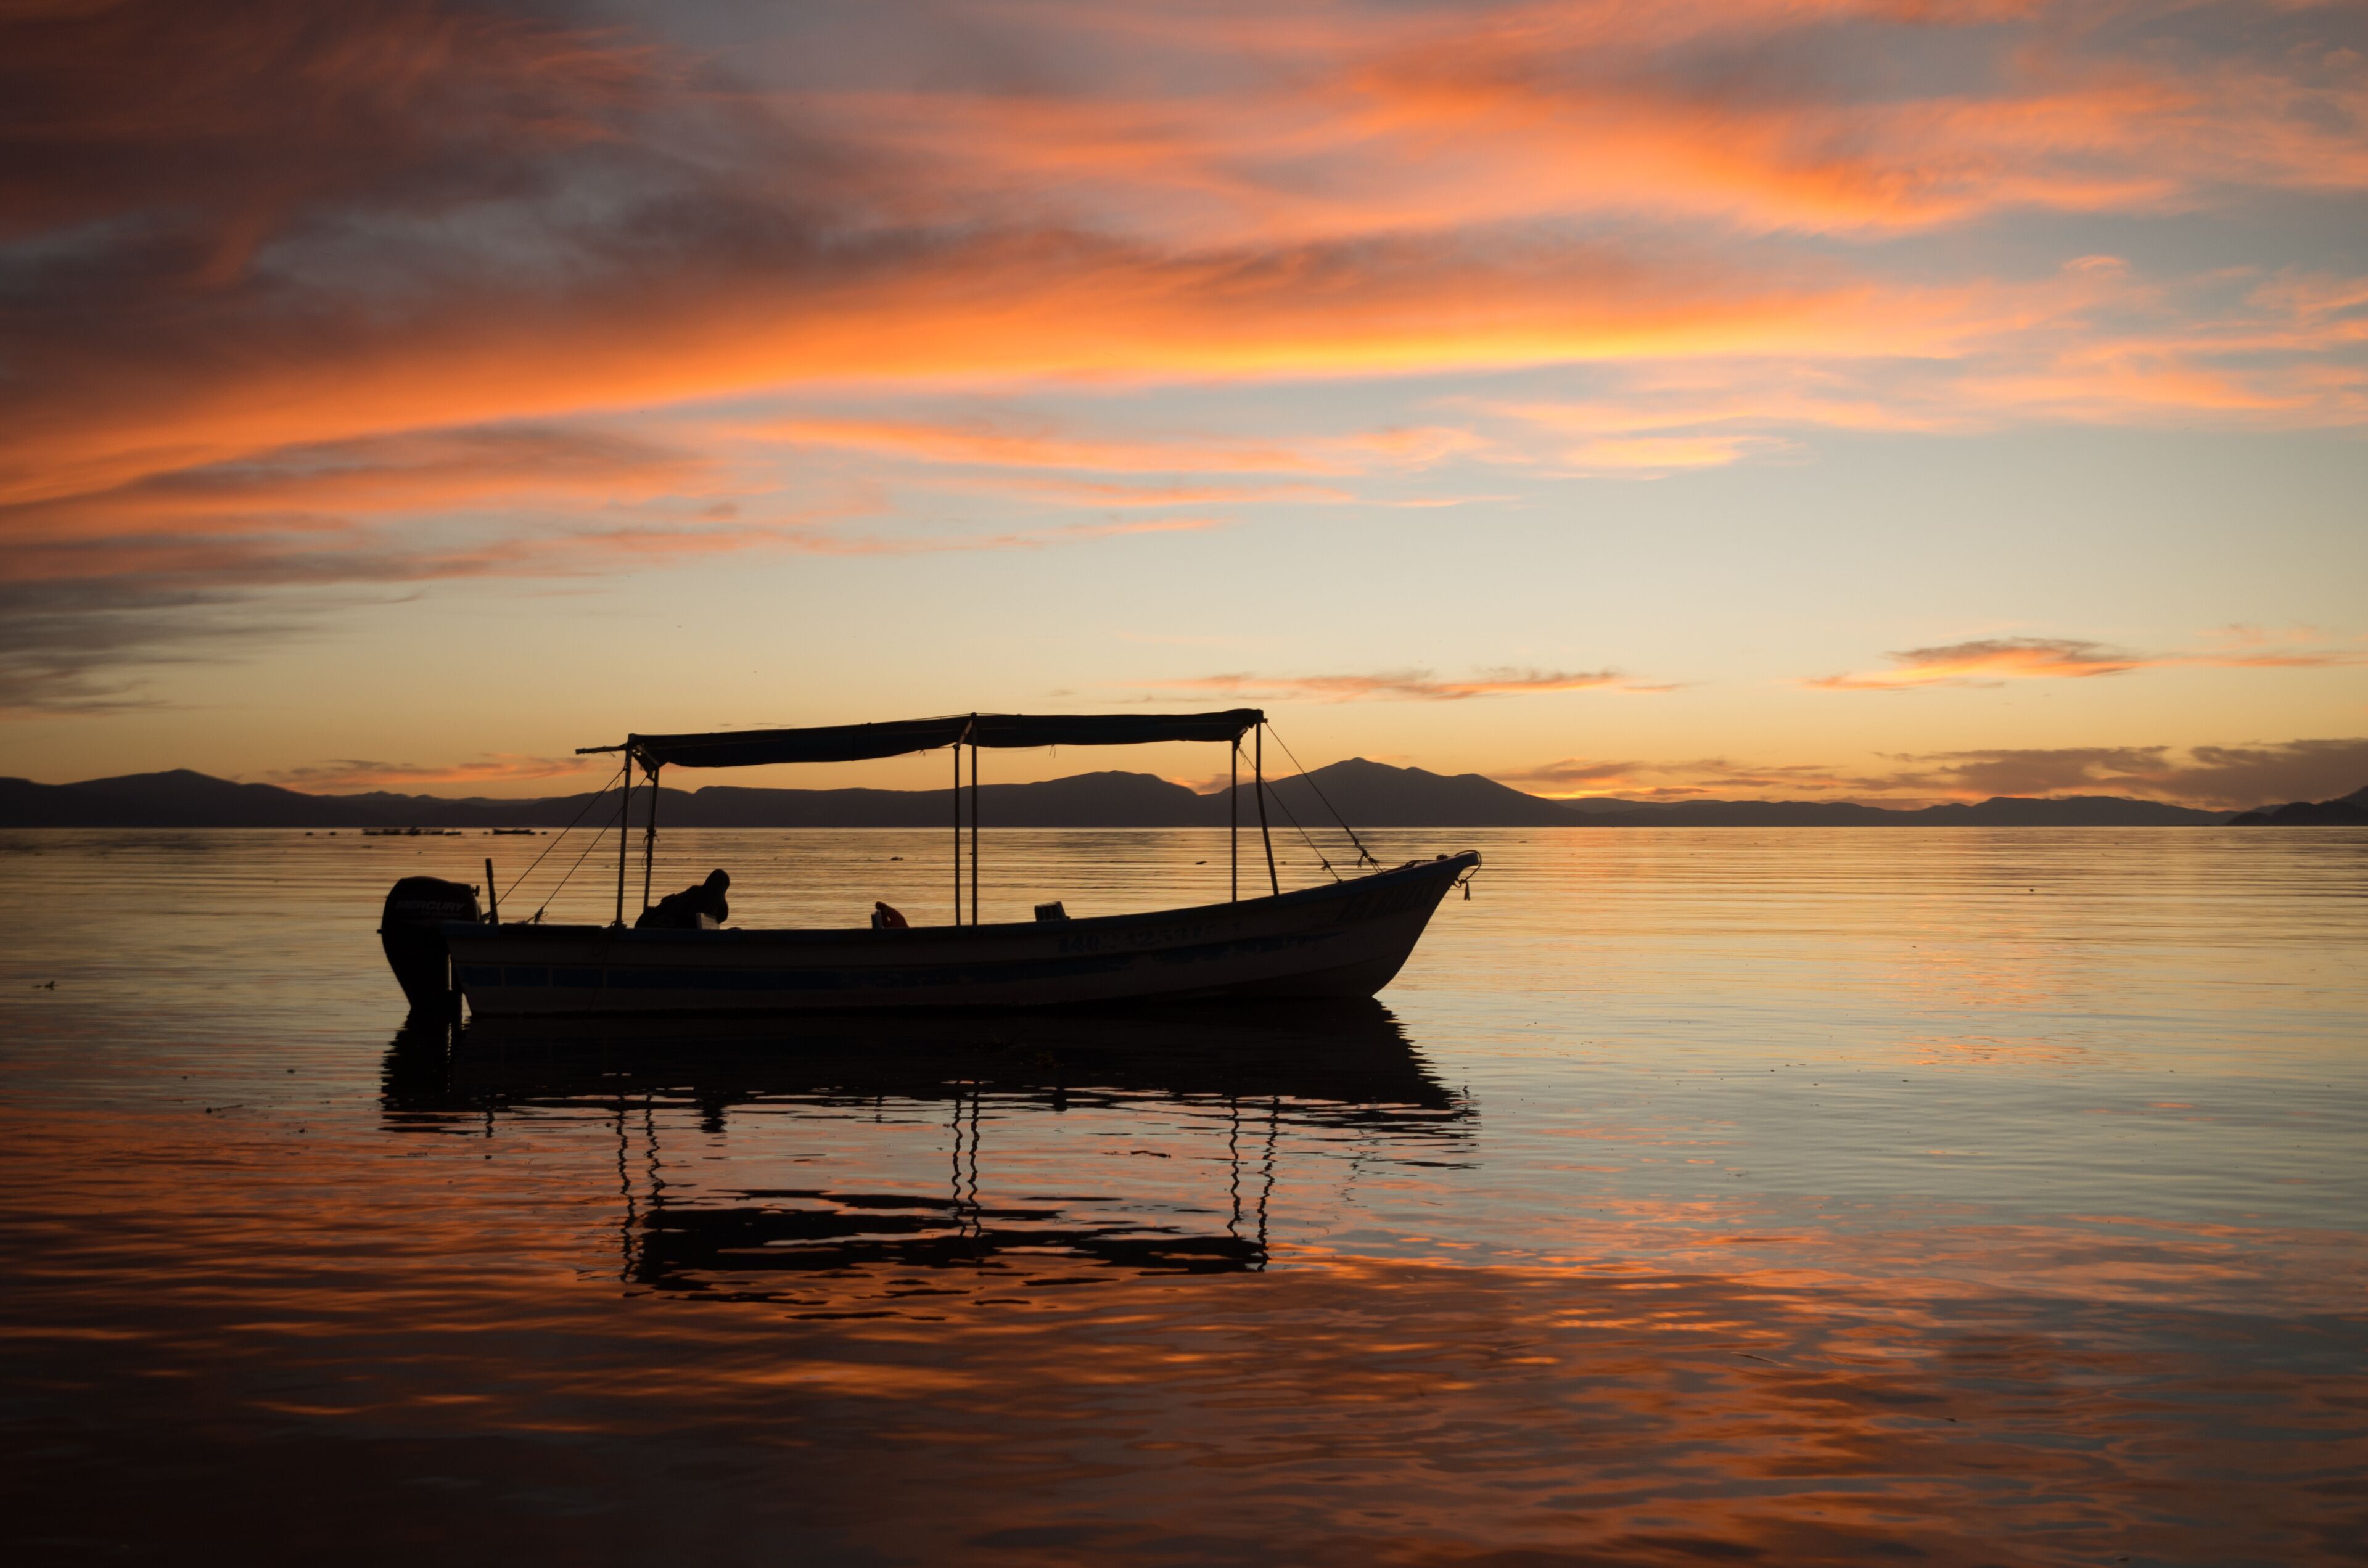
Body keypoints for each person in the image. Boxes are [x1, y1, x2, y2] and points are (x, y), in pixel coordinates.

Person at [636, 868, 730, 929]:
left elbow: (721, 916)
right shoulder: (695, 902)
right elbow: (686, 923)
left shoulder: (706, 901)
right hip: (652, 927)